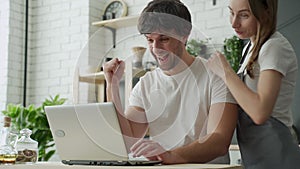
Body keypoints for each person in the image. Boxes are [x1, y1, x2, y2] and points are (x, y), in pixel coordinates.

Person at [103, 0, 238, 164]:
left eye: (164, 39)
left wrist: (170, 155)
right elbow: (126, 140)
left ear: (185, 34)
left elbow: (219, 141)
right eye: (150, 40)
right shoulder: (146, 85)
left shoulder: (216, 75)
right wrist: (113, 86)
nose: (155, 48)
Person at [207, 0, 300, 168]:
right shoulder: (249, 48)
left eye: (244, 15)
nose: (234, 23)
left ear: (266, 12)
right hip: (255, 157)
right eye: (231, 13)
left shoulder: (274, 47)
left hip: (277, 155)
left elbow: (260, 112)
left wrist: (225, 71)